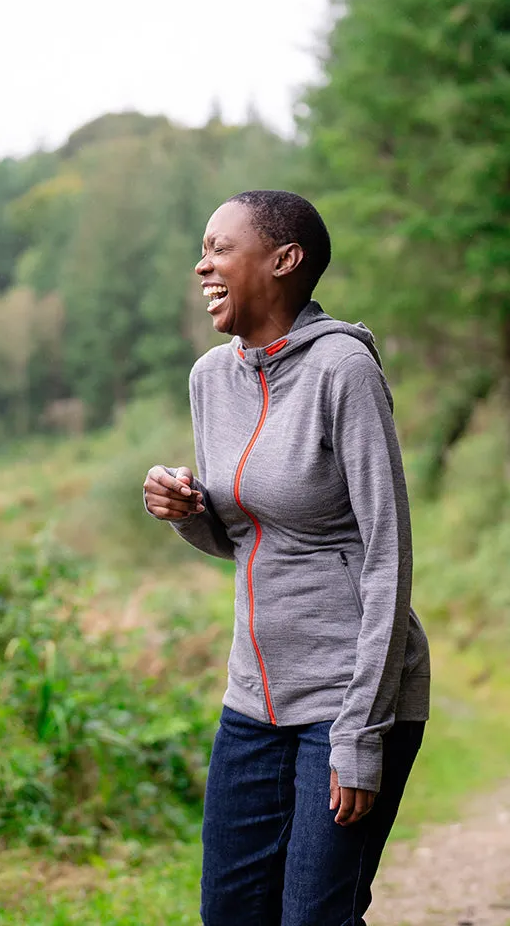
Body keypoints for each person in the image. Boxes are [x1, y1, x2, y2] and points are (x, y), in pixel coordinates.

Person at [142, 190, 430, 926]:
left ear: (283, 259)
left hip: (347, 697)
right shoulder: (212, 377)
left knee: (315, 916)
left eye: (218, 247)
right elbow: (236, 538)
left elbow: (387, 555)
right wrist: (185, 511)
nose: (201, 264)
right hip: (253, 703)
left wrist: (360, 734)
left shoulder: (343, 370)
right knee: (231, 912)